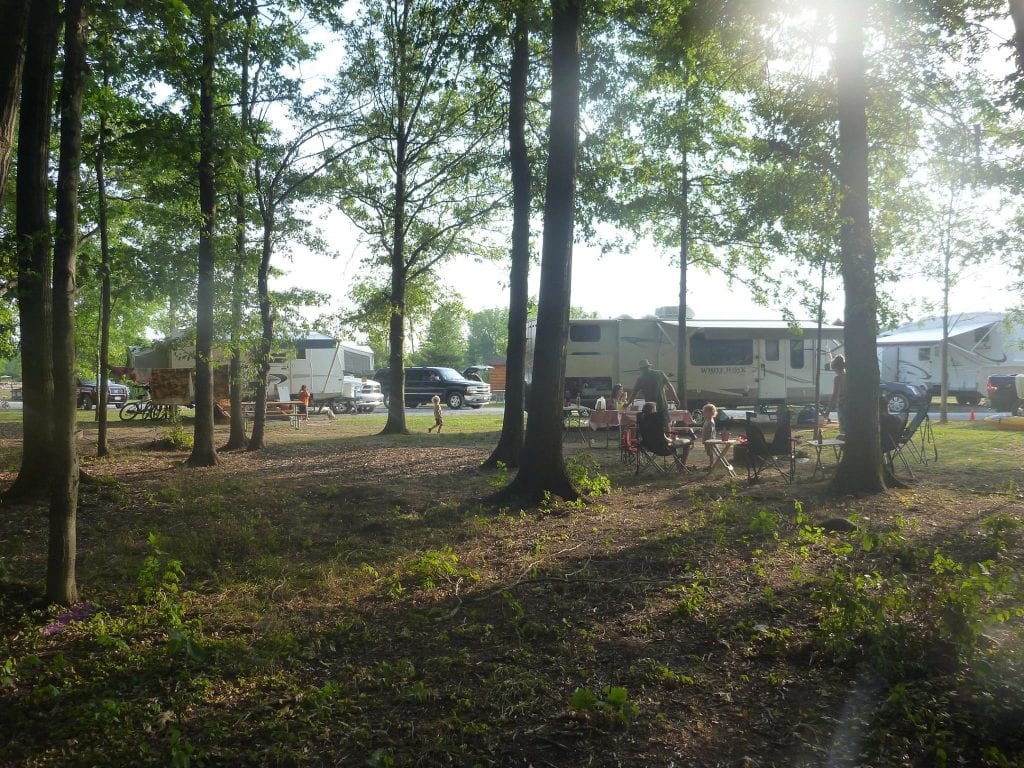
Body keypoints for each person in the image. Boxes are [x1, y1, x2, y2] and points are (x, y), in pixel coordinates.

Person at [630, 360, 679, 431]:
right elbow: (670, 386)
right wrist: (675, 399)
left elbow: (634, 393)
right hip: (661, 404)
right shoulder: (659, 373)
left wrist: (627, 403)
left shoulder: (641, 379)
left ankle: (655, 436)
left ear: (641, 369)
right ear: (649, 366)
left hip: (650, 407)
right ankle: (667, 436)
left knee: (652, 425)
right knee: (666, 423)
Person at [637, 401, 692, 466]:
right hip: (662, 449)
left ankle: (680, 466)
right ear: (652, 410)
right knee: (686, 444)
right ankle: (681, 467)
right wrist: (672, 440)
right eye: (655, 409)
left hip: (648, 447)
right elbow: (664, 439)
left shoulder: (642, 420)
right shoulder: (656, 419)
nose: (656, 411)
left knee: (677, 445)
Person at [827, 354, 846, 434]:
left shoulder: (838, 379)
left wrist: (828, 410)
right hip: (851, 403)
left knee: (843, 426)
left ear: (837, 368)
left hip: (842, 404)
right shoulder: (850, 377)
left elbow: (835, 394)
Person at [701, 402, 718, 470]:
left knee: (711, 453)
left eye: (705, 412)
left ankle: (711, 464)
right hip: (706, 439)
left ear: (711, 412)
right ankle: (711, 464)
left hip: (710, 439)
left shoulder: (710, 421)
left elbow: (711, 430)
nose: (703, 413)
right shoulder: (707, 420)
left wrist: (709, 439)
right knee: (708, 452)